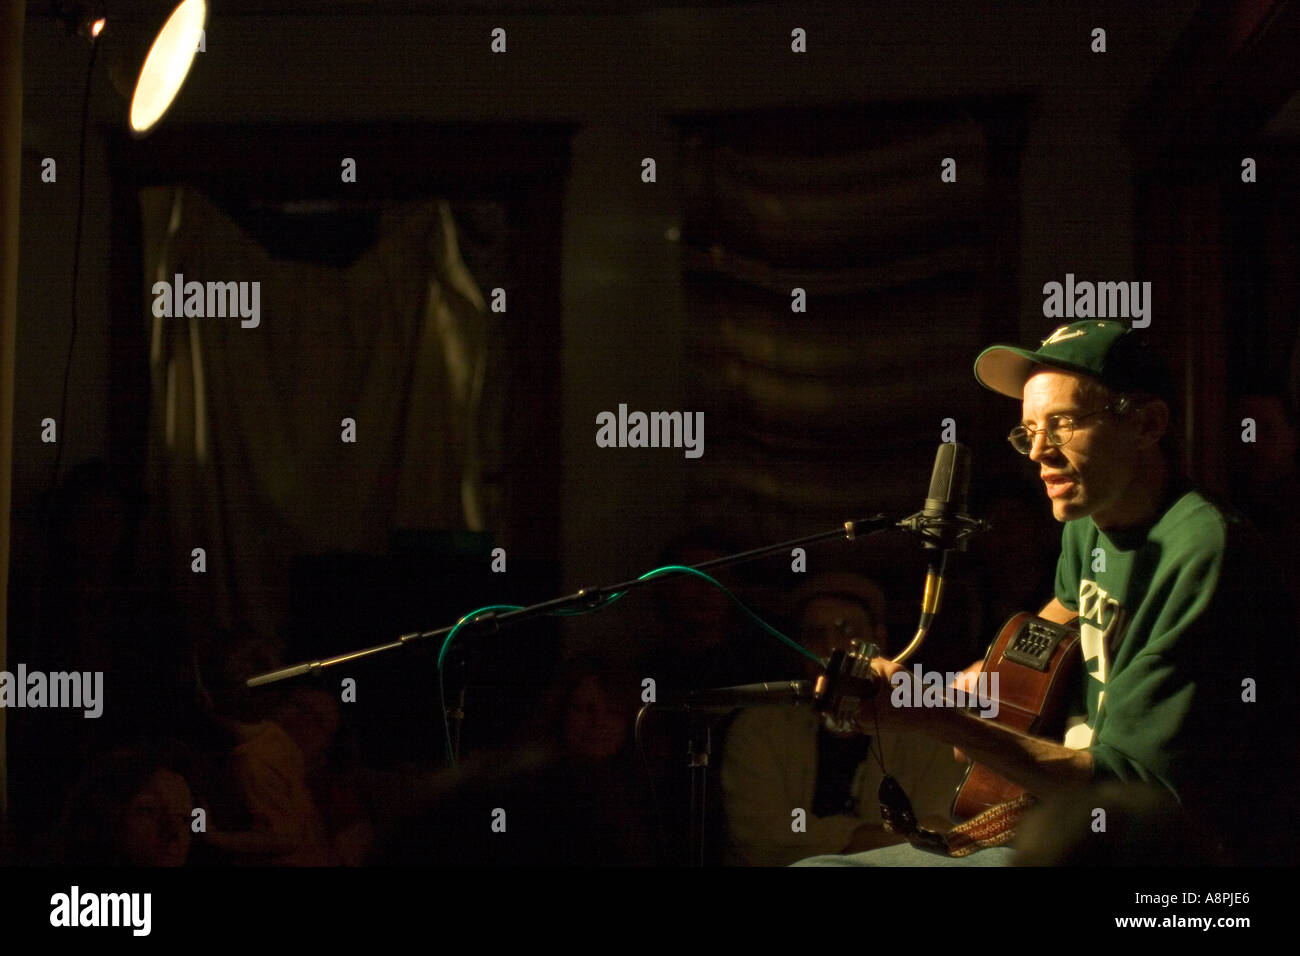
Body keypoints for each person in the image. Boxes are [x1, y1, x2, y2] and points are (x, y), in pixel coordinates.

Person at [799, 319, 1297, 866]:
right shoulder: (1090, 516)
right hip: (1075, 828)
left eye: (1062, 424)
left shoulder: (1204, 550)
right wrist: (990, 676)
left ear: (1149, 424)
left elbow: (1137, 791)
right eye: (1028, 430)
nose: (1039, 452)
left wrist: (934, 713)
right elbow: (1064, 612)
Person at [722, 573, 965, 865]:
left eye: (847, 630)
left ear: (879, 638)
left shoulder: (921, 729)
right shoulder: (760, 727)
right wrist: (871, 840)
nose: (831, 647)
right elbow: (762, 835)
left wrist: (828, 842)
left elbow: (936, 833)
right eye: (815, 634)